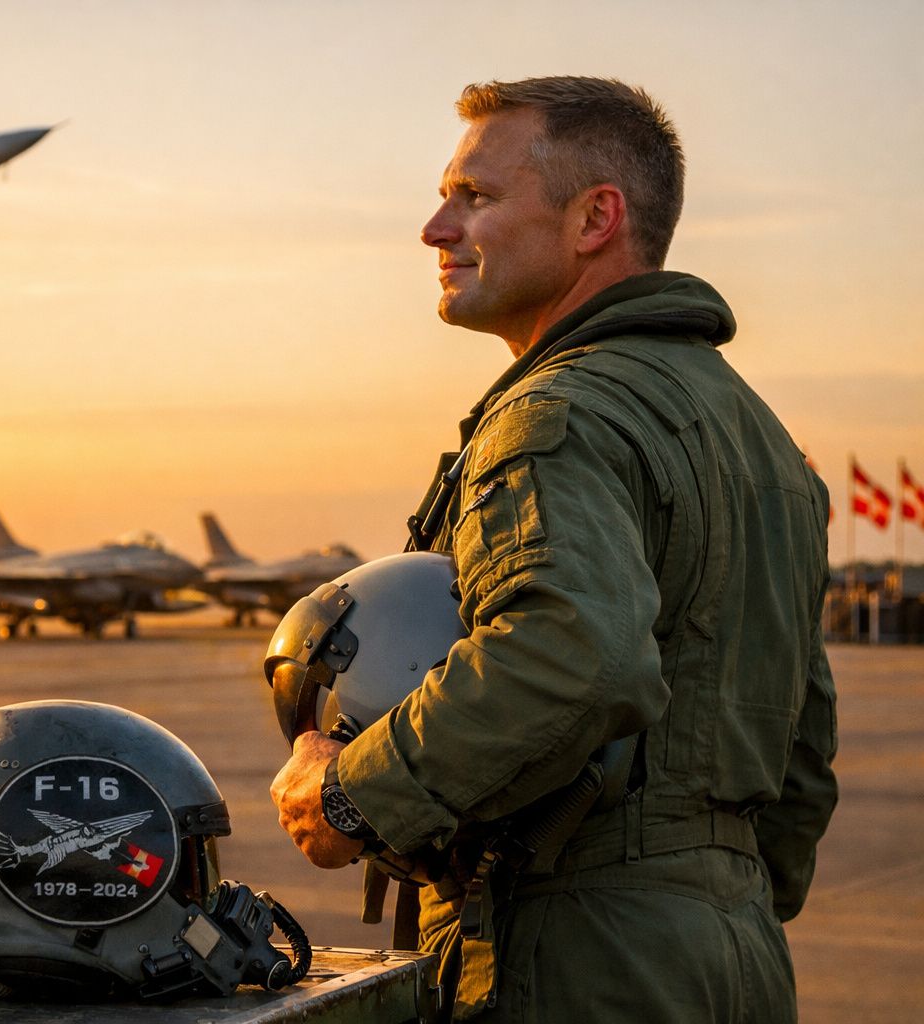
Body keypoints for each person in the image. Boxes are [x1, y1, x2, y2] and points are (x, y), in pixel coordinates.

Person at [270, 76, 838, 1023]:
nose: (435, 228)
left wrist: (349, 797)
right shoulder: (766, 442)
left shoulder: (560, 412)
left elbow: (574, 652)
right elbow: (803, 741)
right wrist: (703, 901)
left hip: (575, 953)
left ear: (594, 220)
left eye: (475, 196)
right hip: (732, 951)